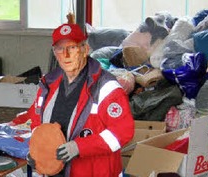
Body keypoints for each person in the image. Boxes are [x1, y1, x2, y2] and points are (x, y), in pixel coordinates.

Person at [24, 23, 135, 176]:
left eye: (72, 48)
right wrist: (38, 150)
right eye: (60, 49)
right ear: (54, 53)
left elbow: (122, 132)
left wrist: (79, 147)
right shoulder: (47, 85)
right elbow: (36, 121)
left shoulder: (106, 87)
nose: (66, 55)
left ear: (85, 50)